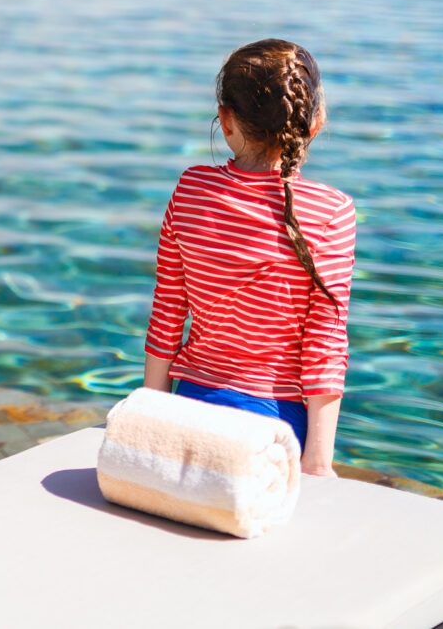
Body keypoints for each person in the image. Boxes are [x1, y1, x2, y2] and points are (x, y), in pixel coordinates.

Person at [142, 39, 355, 478]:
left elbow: (167, 313)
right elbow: (324, 345)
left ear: (225, 119)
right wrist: (317, 461)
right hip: (275, 430)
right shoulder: (332, 212)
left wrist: (152, 415)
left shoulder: (191, 190)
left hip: (191, 410)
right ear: (314, 123)